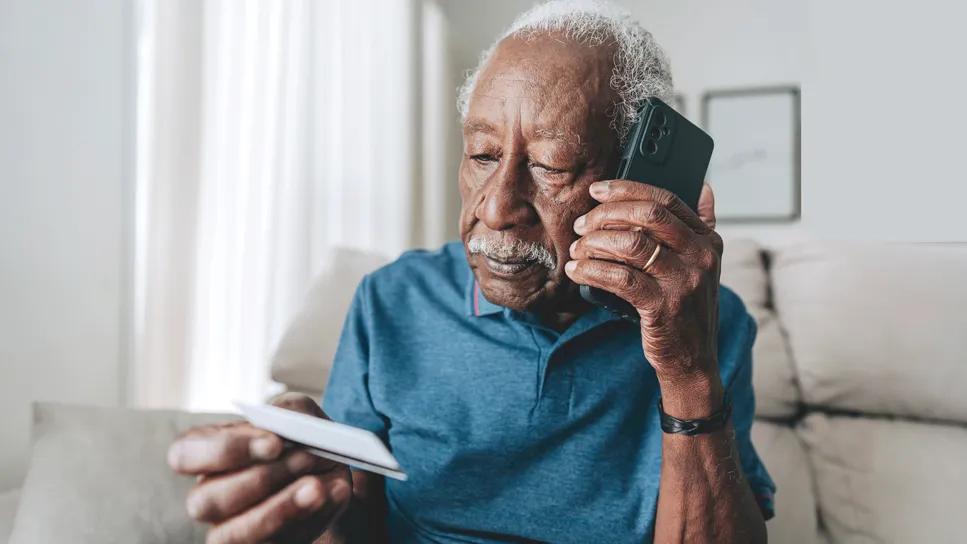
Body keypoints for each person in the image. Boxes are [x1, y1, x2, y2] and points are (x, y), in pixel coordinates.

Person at [167, 1, 775, 542]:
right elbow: (355, 523)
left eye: (551, 165)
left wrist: (688, 369)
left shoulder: (709, 323)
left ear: (636, 184)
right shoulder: (392, 302)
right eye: (483, 155)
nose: (495, 207)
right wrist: (312, 494)